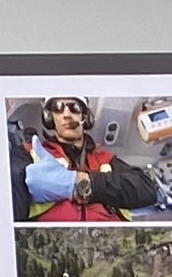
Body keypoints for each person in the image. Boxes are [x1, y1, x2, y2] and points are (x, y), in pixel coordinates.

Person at [12, 94, 160, 224]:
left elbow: (147, 190)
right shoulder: (30, 153)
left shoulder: (105, 158)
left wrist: (85, 184)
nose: (67, 114)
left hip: (110, 242)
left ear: (85, 117)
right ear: (49, 117)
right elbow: (9, 207)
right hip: (53, 243)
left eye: (74, 108)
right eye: (58, 108)